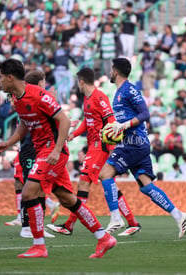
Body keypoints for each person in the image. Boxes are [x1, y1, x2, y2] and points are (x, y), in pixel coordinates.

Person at [0, 59, 116, 258]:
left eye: (0, 78)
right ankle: (104, 238)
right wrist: (8, 143)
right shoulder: (17, 99)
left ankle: (39, 245)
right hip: (43, 151)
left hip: (51, 152)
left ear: (10, 77)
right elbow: (24, 125)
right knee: (67, 199)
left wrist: (57, 150)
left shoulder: (39, 95)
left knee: (29, 192)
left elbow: (65, 120)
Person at [98, 58, 186, 238]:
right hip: (136, 144)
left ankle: (116, 218)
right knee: (146, 186)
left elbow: (145, 113)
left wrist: (123, 126)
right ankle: (179, 216)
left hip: (133, 142)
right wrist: (114, 127)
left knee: (105, 174)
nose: (110, 73)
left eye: (111, 70)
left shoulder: (129, 89)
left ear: (116, 71)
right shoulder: (119, 92)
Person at [47, 67, 141, 236]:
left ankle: (69, 225)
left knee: (83, 183)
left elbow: (111, 120)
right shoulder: (87, 99)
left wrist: (109, 142)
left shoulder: (99, 97)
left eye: (78, 81)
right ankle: (132, 222)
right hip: (93, 146)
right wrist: (74, 135)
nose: (78, 84)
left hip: (100, 146)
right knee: (107, 181)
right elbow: (87, 120)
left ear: (81, 81)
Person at [3, 70, 65, 240]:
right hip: (30, 147)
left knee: (39, 188)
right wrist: (52, 99)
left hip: (36, 148)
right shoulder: (32, 98)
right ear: (39, 84)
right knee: (29, 187)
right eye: (43, 82)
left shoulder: (29, 99)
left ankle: (37, 226)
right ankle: (25, 226)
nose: (45, 86)